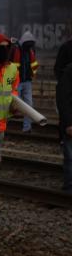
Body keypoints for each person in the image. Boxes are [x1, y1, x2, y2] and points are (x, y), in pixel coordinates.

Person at [0, 33, 19, 209]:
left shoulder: (12, 70)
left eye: (6, 47)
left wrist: (14, 104)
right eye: (0, 47)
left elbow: (13, 90)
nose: (4, 51)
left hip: (1, 124)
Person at [12, 31, 39, 132]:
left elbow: (34, 65)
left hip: (27, 81)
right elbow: (14, 66)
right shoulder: (17, 49)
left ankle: (27, 128)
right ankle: (3, 126)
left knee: (28, 106)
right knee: (15, 105)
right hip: (18, 82)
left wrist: (33, 74)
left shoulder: (29, 50)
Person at [57, 56, 72, 192]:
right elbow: (63, 100)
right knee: (70, 157)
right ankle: (69, 187)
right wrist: (68, 123)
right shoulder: (68, 73)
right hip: (70, 122)